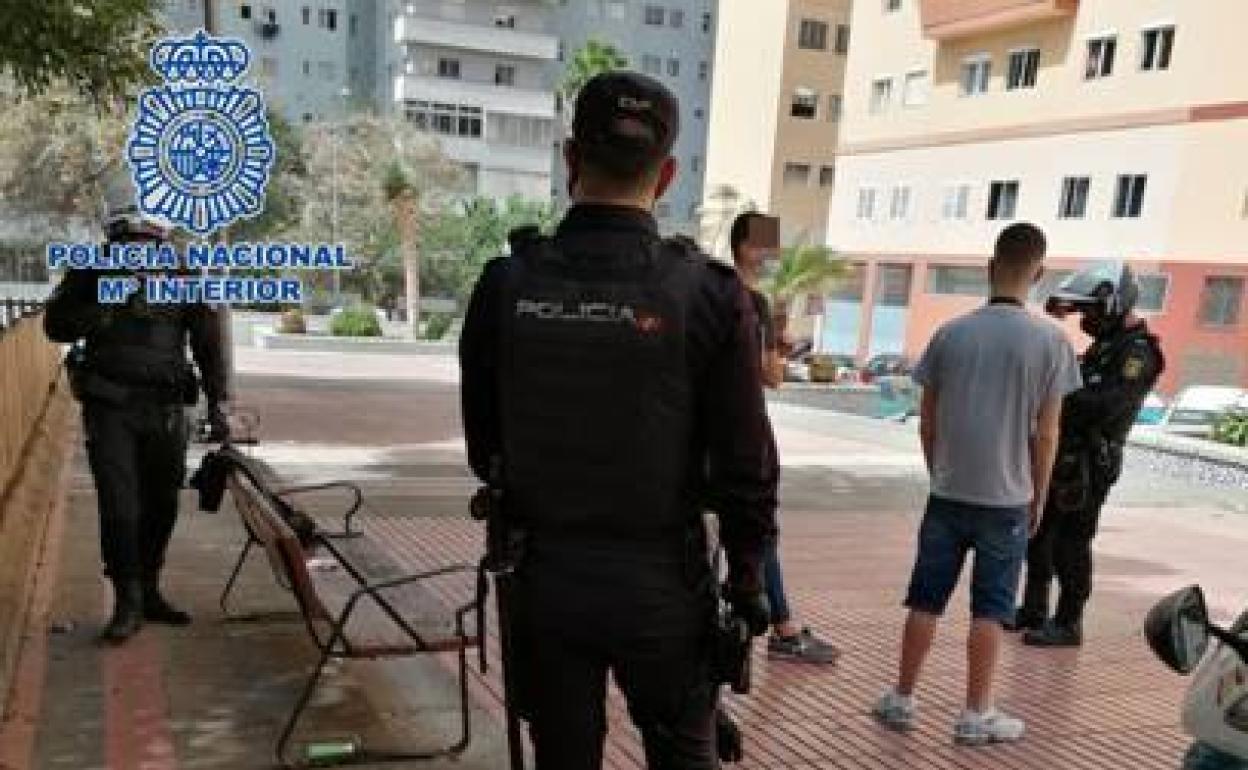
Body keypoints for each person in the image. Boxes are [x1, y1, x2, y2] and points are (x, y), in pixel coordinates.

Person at [459, 72, 777, 769]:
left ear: (571, 159)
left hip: (542, 580)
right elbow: (747, 462)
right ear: (665, 175)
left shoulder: (506, 285)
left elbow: (485, 448)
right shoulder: (710, 293)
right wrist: (748, 577)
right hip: (664, 586)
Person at [872, 223, 1081, 745]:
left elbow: (927, 422)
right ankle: (976, 713)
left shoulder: (950, 334)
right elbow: (1047, 433)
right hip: (1007, 502)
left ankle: (902, 698)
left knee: (925, 600)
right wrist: (1037, 494)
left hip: (947, 494)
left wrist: (939, 471)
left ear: (990, 267)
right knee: (991, 608)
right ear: (1038, 272)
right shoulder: (1053, 342)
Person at [43, 178, 231, 645]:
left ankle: (149, 590)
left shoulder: (183, 272)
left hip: (166, 409)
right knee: (120, 505)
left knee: (163, 503)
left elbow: (208, 345)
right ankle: (126, 601)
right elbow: (56, 326)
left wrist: (219, 405)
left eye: (146, 236)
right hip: (111, 409)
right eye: (131, 236)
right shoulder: (91, 269)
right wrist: (102, 309)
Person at [1008, 263, 1165, 647]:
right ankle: (1033, 609)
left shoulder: (1138, 352)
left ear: (1114, 305)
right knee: (1039, 533)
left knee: (1072, 542)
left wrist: (1056, 396)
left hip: (1092, 462)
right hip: (1065, 455)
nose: (1084, 319)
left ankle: (1069, 621)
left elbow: (1105, 405)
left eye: (1091, 311)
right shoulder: (1105, 346)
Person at [728, 211, 838, 665]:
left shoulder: (707, 290)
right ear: (746, 248)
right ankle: (783, 627)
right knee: (760, 526)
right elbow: (771, 376)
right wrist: (779, 350)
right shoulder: (753, 302)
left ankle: (779, 621)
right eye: (767, 246)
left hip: (701, 429)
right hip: (746, 429)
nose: (774, 256)